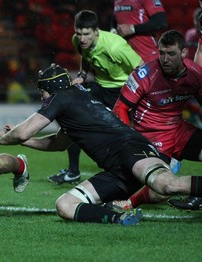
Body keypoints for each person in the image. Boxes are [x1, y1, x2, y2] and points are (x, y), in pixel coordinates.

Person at [0, 63, 202, 226]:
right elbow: (57, 144)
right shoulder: (76, 104)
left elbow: (24, 131)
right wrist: (25, 141)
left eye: (42, 92)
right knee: (65, 205)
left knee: (165, 185)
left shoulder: (61, 98)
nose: (43, 98)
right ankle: (119, 217)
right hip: (116, 171)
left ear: (49, 88)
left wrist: (1, 138)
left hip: (131, 151)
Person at [110, 30, 202, 211]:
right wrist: (128, 139)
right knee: (162, 190)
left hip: (179, 131)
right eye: (162, 53)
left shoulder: (195, 73)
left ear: (184, 53)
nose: (165, 59)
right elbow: (120, 107)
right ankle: (131, 202)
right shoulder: (144, 75)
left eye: (171, 54)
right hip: (150, 139)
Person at [47, 10, 142, 185]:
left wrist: (135, 95)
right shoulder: (78, 41)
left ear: (96, 31)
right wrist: (82, 76)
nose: (82, 38)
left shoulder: (115, 46)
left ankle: (134, 175)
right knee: (74, 123)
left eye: (86, 34)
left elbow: (141, 67)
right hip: (100, 87)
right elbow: (86, 56)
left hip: (122, 91)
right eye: (79, 33)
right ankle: (73, 172)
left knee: (126, 137)